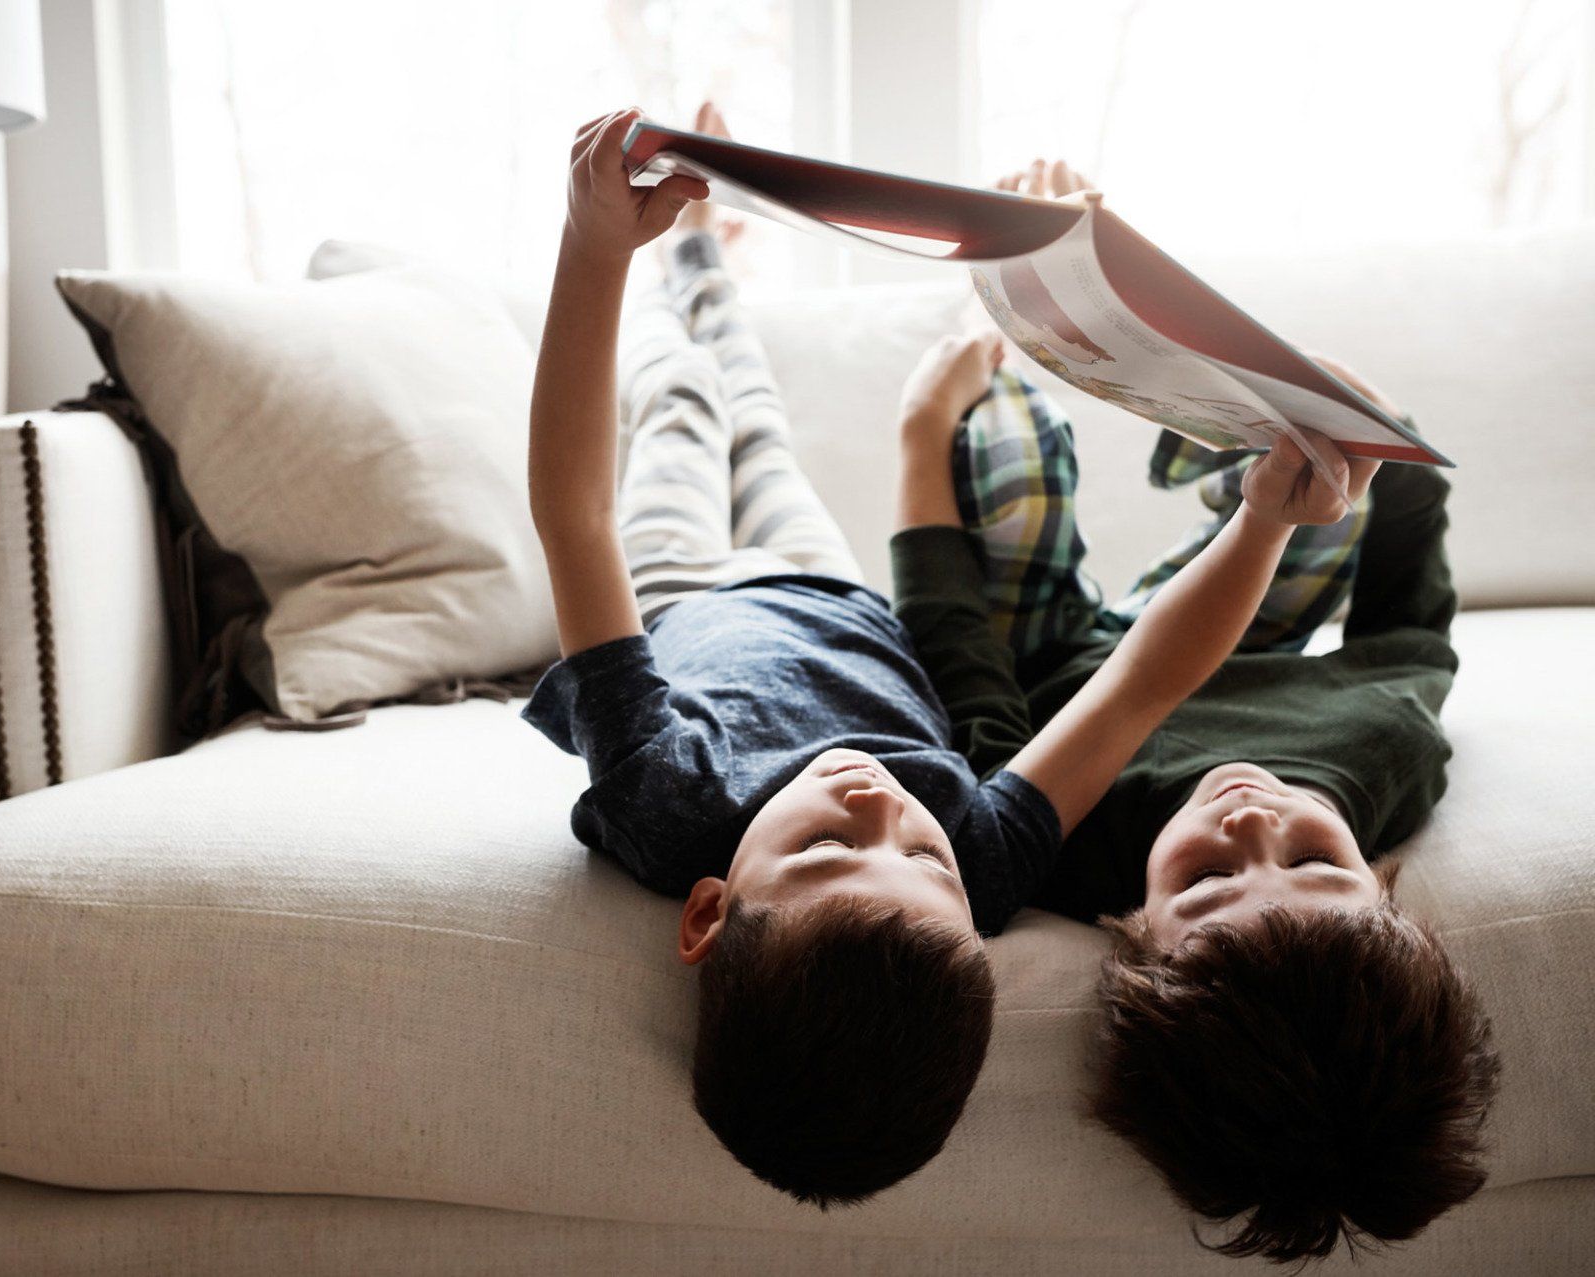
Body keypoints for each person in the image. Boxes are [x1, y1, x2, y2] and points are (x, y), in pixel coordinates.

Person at [521, 106, 1364, 1206]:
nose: (879, 806)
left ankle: (679, 265)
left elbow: (575, 518)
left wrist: (592, 248)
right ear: (969, 915)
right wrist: (1261, 525)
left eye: (826, 847)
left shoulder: (666, 802)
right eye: (921, 862)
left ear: (709, 909)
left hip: (679, 587)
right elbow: (1139, 687)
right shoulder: (986, 857)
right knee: (760, 412)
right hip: (833, 586)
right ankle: (708, 264)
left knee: (683, 407)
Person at [895, 156, 1500, 1263]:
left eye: (1205, 880)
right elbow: (1410, 631)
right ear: (1380, 884)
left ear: (1127, 932)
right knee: (1335, 486)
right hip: (1241, 619)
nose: (1249, 817)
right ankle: (1209, 418)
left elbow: (961, 669)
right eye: (1317, 860)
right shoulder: (1386, 751)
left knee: (1011, 464)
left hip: (1057, 663)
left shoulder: (1060, 849)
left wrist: (920, 436)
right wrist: (1387, 451)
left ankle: (1004, 309)